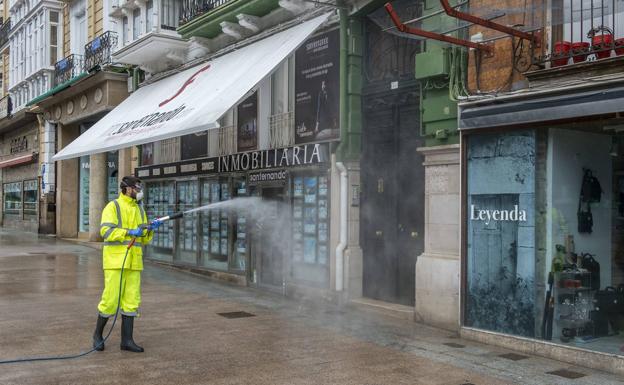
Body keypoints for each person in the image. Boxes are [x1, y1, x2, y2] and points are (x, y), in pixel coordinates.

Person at [92, 175, 162, 353]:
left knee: (131, 301)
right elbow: (106, 231)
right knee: (110, 300)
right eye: (136, 189)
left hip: (134, 262)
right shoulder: (113, 206)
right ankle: (97, 336)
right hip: (116, 261)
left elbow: (143, 239)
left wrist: (149, 230)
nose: (139, 192)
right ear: (127, 189)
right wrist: (128, 231)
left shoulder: (139, 210)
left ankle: (127, 341)